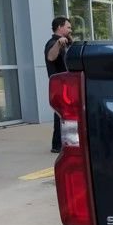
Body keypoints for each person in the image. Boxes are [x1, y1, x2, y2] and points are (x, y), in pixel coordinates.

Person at [45, 17, 73, 152]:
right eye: (68, 27)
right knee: (61, 115)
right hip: (59, 86)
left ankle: (65, 143)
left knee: (67, 115)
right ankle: (57, 145)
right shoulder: (52, 43)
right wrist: (58, 44)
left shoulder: (65, 43)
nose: (70, 30)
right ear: (59, 27)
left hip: (67, 85)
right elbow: (51, 57)